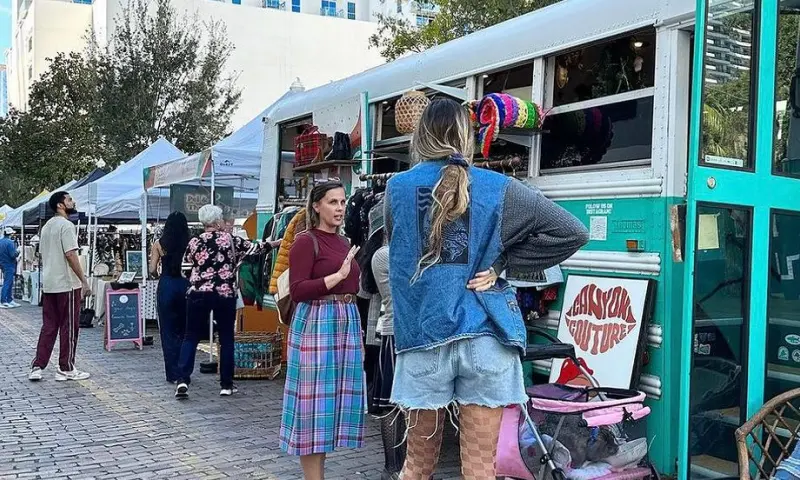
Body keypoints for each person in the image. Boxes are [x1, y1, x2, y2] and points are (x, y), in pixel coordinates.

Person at [384, 98, 589, 479]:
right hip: (486, 336)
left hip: (423, 335)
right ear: (468, 137)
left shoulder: (397, 189)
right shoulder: (501, 188)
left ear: (420, 136)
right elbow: (572, 231)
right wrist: (502, 264)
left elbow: (398, 255)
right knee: (480, 470)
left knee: (416, 467)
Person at [279, 181, 364, 480]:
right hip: (316, 321)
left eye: (342, 202)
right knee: (312, 407)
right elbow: (299, 290)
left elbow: (352, 286)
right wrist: (336, 276)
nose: (340, 208)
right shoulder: (305, 240)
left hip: (345, 321)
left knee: (329, 408)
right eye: (332, 202)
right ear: (316, 206)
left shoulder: (345, 242)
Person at [175, 204, 263, 399]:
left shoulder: (194, 242)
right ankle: (226, 384)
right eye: (222, 218)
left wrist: (198, 280)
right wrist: (276, 243)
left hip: (198, 294)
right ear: (216, 221)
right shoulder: (229, 239)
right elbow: (255, 249)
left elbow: (184, 268)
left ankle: (182, 380)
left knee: (191, 336)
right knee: (226, 338)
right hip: (225, 293)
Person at [29, 191, 92, 382]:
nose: (73, 202)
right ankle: (66, 366)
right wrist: (84, 280)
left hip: (49, 284)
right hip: (67, 284)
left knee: (49, 326)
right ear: (60, 205)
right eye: (69, 199)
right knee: (69, 327)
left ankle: (38, 365)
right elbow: (71, 254)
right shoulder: (66, 226)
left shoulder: (46, 227)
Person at [368, 202, 407, 480]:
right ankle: (392, 468)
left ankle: (404, 468)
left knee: (405, 406)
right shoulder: (384, 255)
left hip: (405, 336)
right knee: (393, 407)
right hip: (396, 335)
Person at [149, 211, 190, 384]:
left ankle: (172, 374)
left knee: (168, 331)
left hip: (166, 285)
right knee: (185, 331)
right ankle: (184, 372)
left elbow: (152, 270)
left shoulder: (159, 244)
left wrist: (158, 273)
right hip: (185, 285)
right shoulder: (190, 243)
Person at [0, 227, 20, 308]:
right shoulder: (10, 243)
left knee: (8, 282)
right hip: (9, 264)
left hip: (3, 264)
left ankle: (9, 300)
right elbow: (13, 255)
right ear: (10, 234)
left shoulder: (1, 241)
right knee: (8, 283)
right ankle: (4, 300)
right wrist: (18, 252)